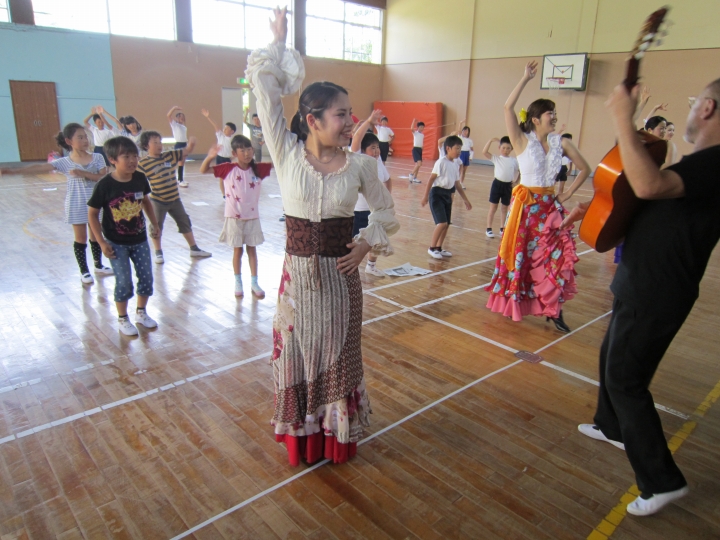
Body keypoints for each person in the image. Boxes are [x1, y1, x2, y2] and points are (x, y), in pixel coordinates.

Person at [246, 7, 398, 466]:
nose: (349, 122)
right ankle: (303, 440)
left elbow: (387, 212)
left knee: (336, 361)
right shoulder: (287, 155)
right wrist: (277, 42)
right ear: (312, 120)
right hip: (296, 287)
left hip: (340, 284)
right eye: (340, 115)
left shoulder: (361, 166)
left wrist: (367, 241)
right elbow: (265, 93)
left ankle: (334, 442)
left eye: (350, 115)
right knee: (295, 356)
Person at [563, 78, 720, 517]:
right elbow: (646, 199)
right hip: (643, 280)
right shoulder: (703, 164)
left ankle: (662, 480)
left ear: (706, 107)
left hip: (658, 287)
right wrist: (600, 207)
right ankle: (609, 424)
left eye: (692, 103)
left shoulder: (715, 163)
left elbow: (650, 185)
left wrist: (621, 115)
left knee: (626, 379)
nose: (689, 112)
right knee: (612, 354)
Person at [485, 60, 590, 332]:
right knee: (521, 257)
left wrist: (565, 195)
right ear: (535, 119)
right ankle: (514, 304)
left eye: (554, 113)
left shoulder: (561, 143)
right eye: (549, 113)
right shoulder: (522, 140)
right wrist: (525, 79)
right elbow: (507, 107)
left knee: (557, 258)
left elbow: (585, 168)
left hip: (551, 209)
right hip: (525, 208)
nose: (553, 117)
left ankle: (554, 309)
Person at [0, 123, 113, 283]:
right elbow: (40, 167)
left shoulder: (98, 157)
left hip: (95, 204)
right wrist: (14, 171)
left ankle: (98, 265)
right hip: (76, 203)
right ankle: (84, 271)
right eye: (80, 137)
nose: (84, 140)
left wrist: (83, 173)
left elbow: (103, 178)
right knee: (80, 238)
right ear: (69, 141)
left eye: (85, 136)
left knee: (96, 235)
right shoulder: (65, 162)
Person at [87, 136, 160, 336]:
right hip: (115, 242)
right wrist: (101, 242)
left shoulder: (139, 178)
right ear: (112, 159)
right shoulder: (105, 185)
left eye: (134, 156)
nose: (132, 160)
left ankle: (141, 313)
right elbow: (92, 214)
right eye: (126, 156)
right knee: (124, 281)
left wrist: (154, 224)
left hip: (140, 239)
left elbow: (145, 201)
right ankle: (122, 318)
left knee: (146, 277)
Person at [200, 135, 272, 298]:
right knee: (237, 251)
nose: (246, 153)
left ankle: (254, 282)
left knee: (252, 250)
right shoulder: (228, 168)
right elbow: (203, 170)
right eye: (242, 150)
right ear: (234, 153)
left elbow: (280, 165)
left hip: (252, 217)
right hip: (234, 217)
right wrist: (210, 156)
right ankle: (238, 281)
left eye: (249, 149)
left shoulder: (259, 169)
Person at [137, 131, 211, 264]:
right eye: (155, 142)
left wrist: (191, 144)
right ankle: (158, 252)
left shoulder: (169, 155)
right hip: (158, 201)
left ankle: (194, 248)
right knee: (156, 226)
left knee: (184, 221)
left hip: (175, 199)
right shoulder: (143, 164)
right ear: (146, 146)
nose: (159, 145)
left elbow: (186, 151)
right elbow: (137, 182)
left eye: (160, 142)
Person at [350, 114, 393, 277]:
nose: (376, 151)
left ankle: (371, 266)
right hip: (357, 210)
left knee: (375, 240)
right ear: (363, 150)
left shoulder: (379, 161)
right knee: (354, 242)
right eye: (372, 148)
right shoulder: (358, 160)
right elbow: (355, 142)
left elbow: (388, 180)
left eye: (377, 147)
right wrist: (368, 122)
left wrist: (386, 200)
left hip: (375, 211)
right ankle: (348, 267)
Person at [421, 135, 472, 259]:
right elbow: (431, 179)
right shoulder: (441, 162)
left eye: (460, 148)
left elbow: (457, 184)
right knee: (442, 223)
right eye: (457, 148)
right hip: (437, 194)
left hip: (447, 195)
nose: (459, 151)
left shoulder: (455, 164)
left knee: (447, 223)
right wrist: (425, 196)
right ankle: (432, 248)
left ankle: (439, 248)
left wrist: (466, 200)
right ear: (448, 148)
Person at [482, 136, 519, 238]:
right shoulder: (496, 158)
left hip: (508, 186)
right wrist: (490, 140)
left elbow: (520, 171)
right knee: (493, 207)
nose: (505, 150)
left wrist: (516, 181)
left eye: (508, 148)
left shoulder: (514, 161)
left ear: (511, 149)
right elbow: (484, 152)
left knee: (504, 208)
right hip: (497, 185)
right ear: (499, 148)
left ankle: (502, 228)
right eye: (503, 148)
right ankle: (489, 228)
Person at [167, 106, 189, 187]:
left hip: (184, 145)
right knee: (178, 162)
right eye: (179, 117)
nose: (181, 118)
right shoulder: (174, 125)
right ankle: (178, 180)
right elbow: (168, 116)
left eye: (183, 117)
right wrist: (174, 108)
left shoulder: (183, 127)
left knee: (182, 163)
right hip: (179, 145)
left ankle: (180, 179)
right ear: (176, 119)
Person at [408, 118, 425, 184]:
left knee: (418, 164)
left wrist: (422, 147)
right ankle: (411, 174)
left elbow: (421, 142)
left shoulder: (422, 135)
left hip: (420, 149)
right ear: (417, 127)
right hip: (415, 149)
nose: (422, 128)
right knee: (419, 163)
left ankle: (415, 178)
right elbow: (411, 129)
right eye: (420, 127)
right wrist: (413, 121)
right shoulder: (415, 133)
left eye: (423, 127)